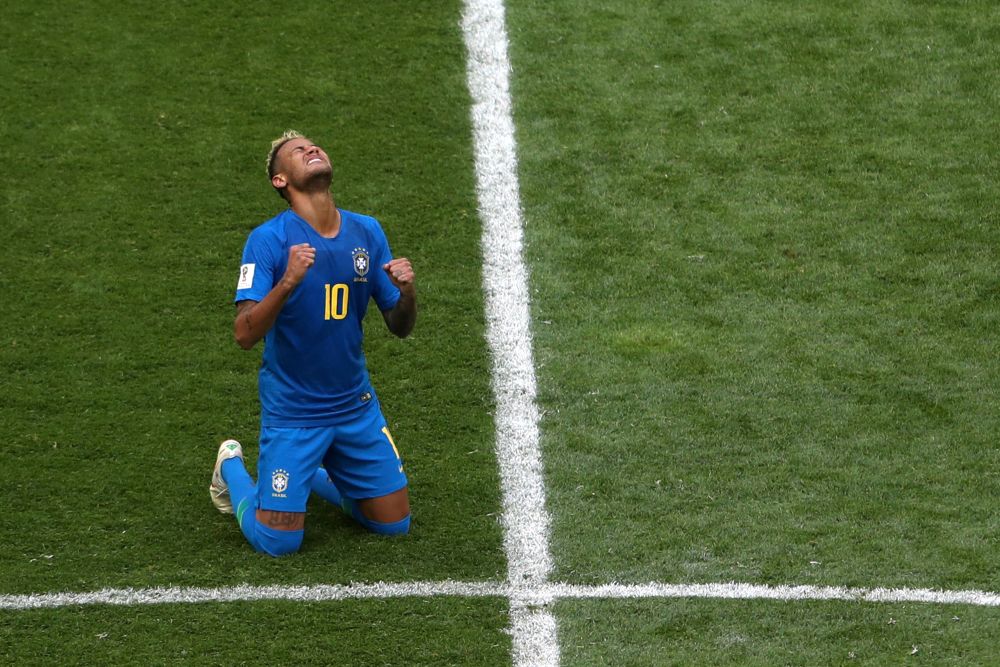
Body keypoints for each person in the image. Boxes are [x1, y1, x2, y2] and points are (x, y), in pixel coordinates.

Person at [209, 130, 416, 556]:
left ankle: (317, 473)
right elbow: (244, 334)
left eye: (314, 146)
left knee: (394, 524)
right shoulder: (268, 241)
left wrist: (408, 292)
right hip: (294, 412)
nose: (312, 149)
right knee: (279, 541)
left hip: (353, 406)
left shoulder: (367, 232)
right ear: (280, 181)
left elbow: (400, 326)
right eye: (297, 152)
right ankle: (230, 466)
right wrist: (287, 282)